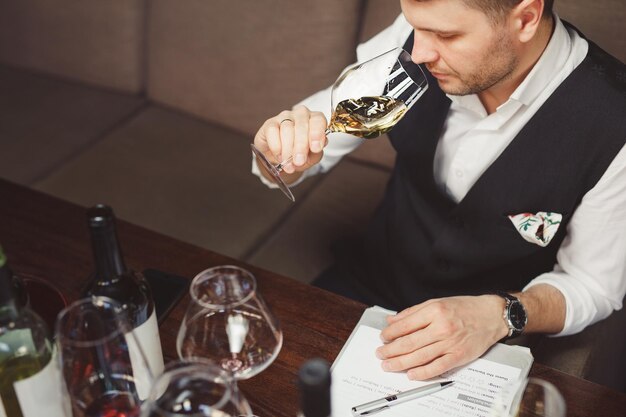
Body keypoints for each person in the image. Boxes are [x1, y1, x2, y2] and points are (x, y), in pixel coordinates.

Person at [252, 0, 626, 380]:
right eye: (416, 27)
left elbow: (592, 285)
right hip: (364, 284)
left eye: (447, 35)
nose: (419, 53)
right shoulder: (419, 36)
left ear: (526, 18)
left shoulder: (615, 125)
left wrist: (502, 314)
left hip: (482, 337)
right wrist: (283, 148)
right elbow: (313, 142)